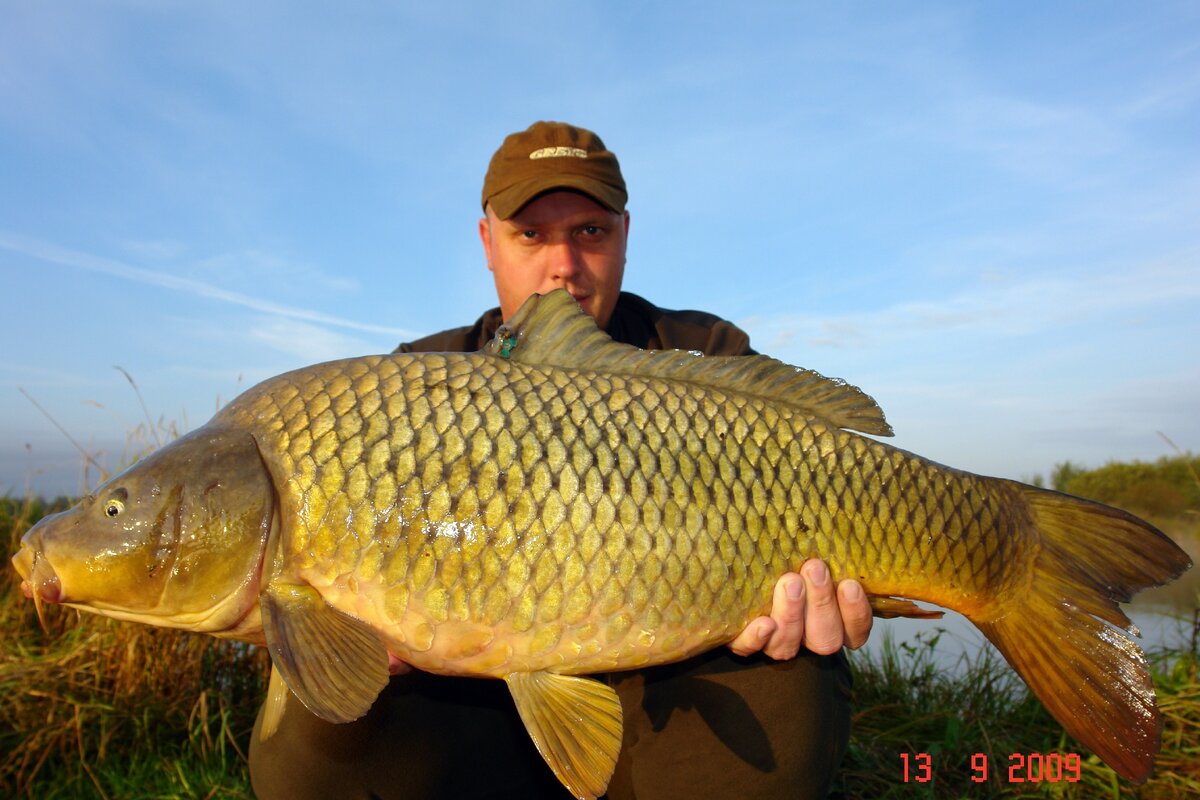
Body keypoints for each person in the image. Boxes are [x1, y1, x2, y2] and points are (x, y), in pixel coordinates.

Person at [249, 121, 874, 800]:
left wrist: (815, 607)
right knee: (308, 761)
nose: (564, 267)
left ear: (625, 235)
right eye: (531, 235)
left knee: (794, 678)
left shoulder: (706, 357)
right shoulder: (417, 382)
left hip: (675, 666)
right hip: (477, 699)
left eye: (590, 232)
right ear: (488, 243)